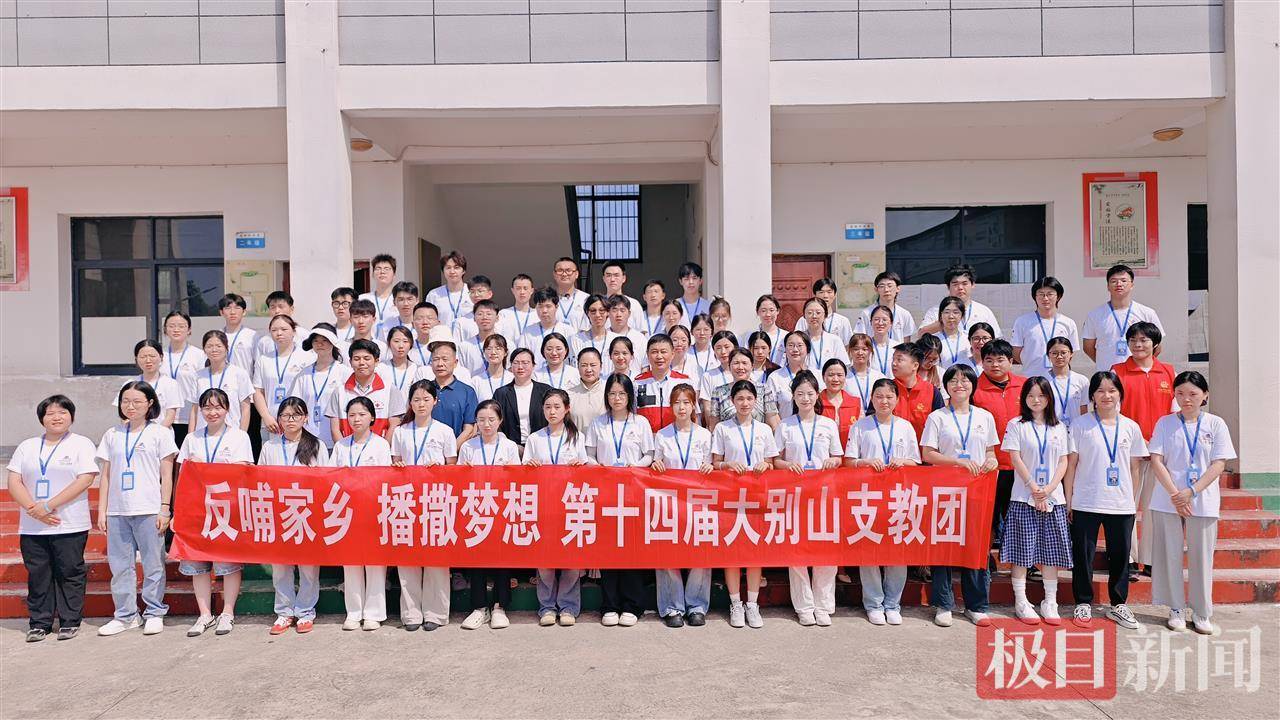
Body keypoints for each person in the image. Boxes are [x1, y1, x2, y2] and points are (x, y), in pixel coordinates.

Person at [1148, 371, 1235, 635]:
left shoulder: (1216, 424)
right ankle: (1175, 608)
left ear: (1205, 395)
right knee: (1169, 554)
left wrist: (1191, 492)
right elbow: (1156, 460)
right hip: (1168, 498)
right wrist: (1177, 494)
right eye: (1180, 394)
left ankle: (1201, 611)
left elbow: (1218, 463)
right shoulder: (1165, 423)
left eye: (1193, 394)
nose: (1186, 399)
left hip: (1203, 499)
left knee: (1202, 557)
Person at [7, 395, 99, 642]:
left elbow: (85, 479)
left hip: (69, 523)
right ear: (41, 419)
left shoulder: (81, 444)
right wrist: (34, 508)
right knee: (38, 574)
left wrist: (48, 506)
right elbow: (14, 480)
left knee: (70, 572)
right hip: (33, 526)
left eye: (62, 412)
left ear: (72, 417)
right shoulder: (27, 446)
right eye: (50, 413)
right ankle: (40, 623)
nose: (56, 417)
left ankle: (70, 621)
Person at [1066, 371, 1149, 630]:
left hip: (1121, 503)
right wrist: (1069, 500)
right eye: (1100, 390)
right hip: (1086, 501)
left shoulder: (1130, 427)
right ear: (1092, 395)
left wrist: (1132, 501)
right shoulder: (1080, 425)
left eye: (1112, 390)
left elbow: (1135, 468)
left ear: (1120, 394)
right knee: (1083, 555)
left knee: (1120, 556)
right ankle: (1083, 602)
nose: (1106, 395)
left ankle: (1118, 604)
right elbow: (1071, 465)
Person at [95, 381, 178, 637]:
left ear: (150, 403)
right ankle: (126, 615)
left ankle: (154, 611)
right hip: (118, 510)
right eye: (125, 401)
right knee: (121, 567)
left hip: (149, 508)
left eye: (137, 401)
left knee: (153, 564)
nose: (130, 406)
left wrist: (165, 508)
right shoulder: (112, 434)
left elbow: (167, 475)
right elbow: (106, 475)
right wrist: (102, 509)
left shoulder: (160, 433)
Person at [921, 364, 999, 628]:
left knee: (975, 547)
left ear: (973, 385)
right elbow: (927, 454)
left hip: (977, 491)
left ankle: (976, 605)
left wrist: (991, 461)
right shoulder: (938, 417)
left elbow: (990, 452)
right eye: (953, 380)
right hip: (945, 491)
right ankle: (943, 603)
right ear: (946, 386)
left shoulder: (984, 417)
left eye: (965, 380)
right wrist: (956, 461)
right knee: (943, 547)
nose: (959, 385)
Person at [176, 388, 253, 637]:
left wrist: (211, 468)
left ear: (227, 409)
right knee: (197, 562)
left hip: (226, 507)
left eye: (218, 407)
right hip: (197, 508)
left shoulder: (239, 437)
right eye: (207, 407)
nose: (212, 412)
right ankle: (205, 614)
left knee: (228, 563)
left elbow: (243, 471)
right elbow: (183, 476)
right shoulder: (192, 439)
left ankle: (228, 612)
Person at [845, 379, 921, 625]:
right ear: (872, 399)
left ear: (897, 399)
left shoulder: (905, 427)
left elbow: (916, 462)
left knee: (897, 551)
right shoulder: (861, 426)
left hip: (899, 496)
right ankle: (874, 603)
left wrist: (903, 462)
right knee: (869, 549)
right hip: (868, 496)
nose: (884, 401)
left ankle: (892, 603)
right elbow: (849, 462)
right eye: (879, 396)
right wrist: (864, 462)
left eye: (889, 396)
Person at [999, 377, 1073, 626]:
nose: (1036, 400)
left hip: (1053, 498)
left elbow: (1063, 461)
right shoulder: (1016, 425)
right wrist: (1033, 487)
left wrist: (1048, 490)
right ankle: (1021, 601)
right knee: (1022, 551)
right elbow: (1015, 458)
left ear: (1049, 398)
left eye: (1041, 395)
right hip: (1024, 495)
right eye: (1031, 395)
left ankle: (1050, 601)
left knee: (1051, 552)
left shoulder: (1059, 427)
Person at [774, 371, 843, 627]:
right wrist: (787, 465)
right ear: (793, 396)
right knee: (797, 550)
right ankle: (804, 606)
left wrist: (833, 461)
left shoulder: (828, 424)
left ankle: (823, 606)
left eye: (810, 393)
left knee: (826, 549)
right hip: (796, 495)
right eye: (800, 393)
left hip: (825, 494)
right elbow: (775, 459)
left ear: (817, 395)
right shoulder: (785, 425)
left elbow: (838, 456)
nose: (805, 398)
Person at [587, 374, 654, 627]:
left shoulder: (640, 423)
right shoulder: (598, 423)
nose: (617, 398)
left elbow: (649, 454)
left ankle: (632, 605)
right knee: (608, 549)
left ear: (630, 396)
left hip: (633, 492)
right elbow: (589, 454)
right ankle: (610, 605)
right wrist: (601, 468)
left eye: (622, 394)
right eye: (612, 394)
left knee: (631, 550)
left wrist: (633, 467)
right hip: (606, 493)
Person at [390, 380, 458, 632]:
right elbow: (395, 463)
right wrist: (398, 467)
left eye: (426, 399)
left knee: (436, 560)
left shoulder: (444, 431)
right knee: (407, 558)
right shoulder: (401, 432)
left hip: (436, 500)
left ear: (435, 401)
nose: (421, 404)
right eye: (416, 399)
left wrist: (441, 470)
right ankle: (411, 613)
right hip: (406, 500)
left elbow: (452, 467)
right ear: (410, 403)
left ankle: (435, 612)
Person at [258, 396, 329, 635]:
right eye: (286, 415)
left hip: (307, 513)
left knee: (308, 567)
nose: (290, 420)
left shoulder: (316, 445)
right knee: (281, 567)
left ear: (305, 418)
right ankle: (284, 611)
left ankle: (306, 611)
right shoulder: (270, 447)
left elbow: (326, 480)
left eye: (296, 415)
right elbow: (260, 480)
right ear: (278, 419)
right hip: (278, 513)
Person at [1111, 321, 1178, 574]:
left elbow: (1175, 413)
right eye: (1133, 340)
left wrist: (1161, 445)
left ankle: (1150, 558)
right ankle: (1126, 558)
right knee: (1126, 504)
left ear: (1155, 344)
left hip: (1160, 453)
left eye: (1143, 340)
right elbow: (1114, 411)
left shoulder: (1168, 372)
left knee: (1153, 506)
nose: (1138, 345)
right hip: (1129, 451)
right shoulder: (1118, 371)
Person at [712, 380, 779, 629]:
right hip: (730, 496)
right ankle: (735, 603)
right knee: (732, 550)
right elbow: (715, 462)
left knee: (754, 550)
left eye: (749, 399)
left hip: (757, 496)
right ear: (732, 401)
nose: (744, 403)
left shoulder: (764, 429)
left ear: (755, 401)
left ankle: (752, 603)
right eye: (740, 398)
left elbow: (772, 463)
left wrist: (766, 465)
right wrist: (727, 465)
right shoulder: (723, 428)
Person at [523, 389, 592, 626]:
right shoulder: (535, 438)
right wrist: (530, 466)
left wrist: (580, 466)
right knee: (545, 559)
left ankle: (569, 607)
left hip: (570, 504)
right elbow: (523, 471)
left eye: (557, 407)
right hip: (543, 504)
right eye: (547, 407)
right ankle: (547, 607)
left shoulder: (577, 437)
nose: (552, 411)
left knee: (571, 558)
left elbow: (586, 469)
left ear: (567, 409)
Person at [650, 383, 714, 628]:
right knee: (668, 553)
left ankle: (696, 606)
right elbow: (655, 465)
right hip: (669, 502)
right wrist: (656, 465)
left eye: (686, 402)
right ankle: (672, 607)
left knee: (700, 553)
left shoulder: (704, 435)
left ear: (694, 405)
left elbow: (713, 464)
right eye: (677, 402)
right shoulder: (662, 435)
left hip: (699, 502)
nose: (682, 407)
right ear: (670, 406)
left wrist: (710, 467)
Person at [457, 400, 521, 630]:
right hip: (475, 508)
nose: (486, 424)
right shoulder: (468, 447)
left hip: (502, 507)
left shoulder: (509, 446)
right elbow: (459, 478)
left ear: (500, 421)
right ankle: (479, 607)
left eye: (491, 420)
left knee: (502, 558)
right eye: (481, 420)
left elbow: (516, 477)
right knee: (477, 558)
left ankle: (499, 606)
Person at [333, 396, 393, 630]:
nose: (356, 419)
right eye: (351, 415)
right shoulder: (341, 446)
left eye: (361, 414)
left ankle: (374, 613)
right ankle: (353, 612)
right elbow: (331, 476)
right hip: (346, 510)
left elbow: (385, 478)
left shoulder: (381, 445)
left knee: (375, 562)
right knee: (351, 563)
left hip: (373, 510)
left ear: (372, 417)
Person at [972, 339, 1028, 549]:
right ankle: (986, 558)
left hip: (1020, 462)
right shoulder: (974, 388)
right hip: (989, 463)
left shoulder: (1025, 385)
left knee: (1020, 515)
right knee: (989, 515)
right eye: (989, 360)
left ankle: (1023, 558)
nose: (994, 364)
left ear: (1011, 361)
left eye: (1000, 359)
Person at [1082, 264, 1164, 372]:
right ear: (1108, 286)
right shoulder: (1094, 315)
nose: (1119, 284)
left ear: (1132, 285)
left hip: (1138, 373)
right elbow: (1088, 347)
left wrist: (1142, 363)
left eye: (1123, 280)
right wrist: (1103, 363)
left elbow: (1157, 346)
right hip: (1108, 374)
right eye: (1114, 281)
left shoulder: (1147, 313)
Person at [326, 339, 406, 440]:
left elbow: (394, 427)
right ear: (350, 362)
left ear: (376, 361)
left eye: (367, 358)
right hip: (347, 448)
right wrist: (343, 449)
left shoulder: (390, 390)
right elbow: (335, 429)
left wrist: (383, 448)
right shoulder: (339, 392)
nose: (362, 363)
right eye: (356, 359)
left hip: (380, 449)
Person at [289, 325, 352, 450]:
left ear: (333, 342)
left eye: (324, 340)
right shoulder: (303, 374)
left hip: (337, 439)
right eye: (316, 341)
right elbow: (295, 405)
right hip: (308, 441)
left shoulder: (345, 372)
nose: (320, 344)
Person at [252, 315, 315, 437]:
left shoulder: (307, 357)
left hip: (298, 422)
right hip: (272, 423)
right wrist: (266, 416)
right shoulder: (264, 359)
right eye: (274, 330)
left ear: (294, 332)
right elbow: (258, 391)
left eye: (284, 329)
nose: (279, 333)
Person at [183, 330, 254, 435]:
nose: (214, 349)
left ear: (226, 348)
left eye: (218, 346)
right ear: (204, 350)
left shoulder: (239, 374)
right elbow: (194, 410)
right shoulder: (198, 376)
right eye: (209, 346)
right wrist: (190, 437)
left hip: (231, 433)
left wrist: (242, 435)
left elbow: (245, 408)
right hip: (202, 435)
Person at [1011, 277, 1079, 377]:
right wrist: (1030, 363)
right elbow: (1016, 352)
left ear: (1058, 296)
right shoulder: (1022, 322)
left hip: (1059, 377)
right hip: (1031, 377)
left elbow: (1071, 352)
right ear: (1035, 297)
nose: (1045, 298)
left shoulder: (1068, 323)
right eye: (1041, 294)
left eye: (1050, 294)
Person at [424, 327, 478, 449]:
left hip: (455, 453)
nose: (440, 364)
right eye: (436, 359)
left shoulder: (467, 392)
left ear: (455, 362)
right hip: (425, 452)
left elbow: (469, 429)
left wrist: (450, 452)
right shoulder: (424, 390)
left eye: (445, 359)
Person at [918, 264, 1003, 338]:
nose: (960, 288)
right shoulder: (935, 311)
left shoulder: (984, 311)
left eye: (965, 283)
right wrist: (943, 322)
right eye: (955, 284)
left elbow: (996, 337)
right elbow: (921, 334)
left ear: (973, 285)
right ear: (948, 287)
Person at [162, 311, 207, 446]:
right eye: (171, 326)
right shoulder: (159, 355)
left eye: (181, 326)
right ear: (165, 329)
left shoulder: (199, 355)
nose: (176, 329)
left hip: (188, 417)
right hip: (163, 417)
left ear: (189, 330)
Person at [708, 348, 781, 432]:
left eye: (744, 363)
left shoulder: (764, 389)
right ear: (729, 366)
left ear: (752, 366)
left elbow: (773, 423)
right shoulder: (718, 392)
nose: (740, 367)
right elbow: (714, 425)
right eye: (736, 363)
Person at [633, 333, 693, 432]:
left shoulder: (684, 381)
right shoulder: (638, 383)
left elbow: (693, 415)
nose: (659, 356)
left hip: (675, 437)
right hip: (647, 439)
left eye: (663, 352)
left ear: (672, 354)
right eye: (654, 352)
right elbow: (632, 415)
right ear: (647, 355)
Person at [493, 348, 550, 448]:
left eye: (525, 363)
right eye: (516, 363)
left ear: (533, 365)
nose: (520, 367)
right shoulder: (501, 393)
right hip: (510, 447)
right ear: (511, 366)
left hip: (542, 445)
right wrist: (511, 446)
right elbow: (495, 420)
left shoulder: (545, 391)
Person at [891, 342, 945, 444]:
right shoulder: (886, 389)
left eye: (899, 360)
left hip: (923, 452)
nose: (894, 363)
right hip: (891, 451)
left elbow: (941, 425)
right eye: (893, 359)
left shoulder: (932, 392)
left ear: (915, 365)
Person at [122, 340, 183, 428]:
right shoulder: (129, 384)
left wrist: (155, 433)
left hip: (162, 432)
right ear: (136, 359)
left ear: (161, 357)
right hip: (134, 432)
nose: (148, 360)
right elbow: (124, 415)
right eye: (143, 357)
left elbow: (170, 416)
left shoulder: (170, 384)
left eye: (152, 356)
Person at [854, 271, 916, 342]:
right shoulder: (866, 313)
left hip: (897, 349)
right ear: (876, 289)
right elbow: (860, 339)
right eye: (882, 286)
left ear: (898, 288)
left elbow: (906, 342)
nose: (886, 290)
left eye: (890, 286)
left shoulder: (904, 314)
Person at [1045, 336, 1090, 429]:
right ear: (1048, 355)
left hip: (1076, 430)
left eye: (1063, 353)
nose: (1059, 356)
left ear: (1071, 354)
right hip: (1050, 430)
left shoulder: (1082, 381)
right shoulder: (1043, 381)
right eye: (1054, 353)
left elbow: (1083, 410)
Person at [765, 331, 811, 422]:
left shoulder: (817, 375)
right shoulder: (775, 377)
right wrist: (782, 429)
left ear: (807, 349)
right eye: (790, 345)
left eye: (800, 345)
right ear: (785, 349)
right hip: (785, 428)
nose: (795, 349)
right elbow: (771, 413)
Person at [793, 278, 854, 345]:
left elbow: (848, 345)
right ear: (815, 295)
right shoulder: (804, 320)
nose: (825, 296)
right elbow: (797, 342)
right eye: (821, 292)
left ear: (835, 295)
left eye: (829, 292)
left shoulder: (843, 321)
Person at [425, 251, 473, 332]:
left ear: (463, 271)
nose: (452, 271)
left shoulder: (472, 293)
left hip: (468, 338)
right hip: (442, 338)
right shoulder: (434, 295)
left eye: (456, 267)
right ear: (443, 271)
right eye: (448, 268)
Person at [521, 286, 578, 354]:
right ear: (536, 307)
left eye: (548, 306)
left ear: (556, 307)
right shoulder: (528, 332)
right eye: (540, 306)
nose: (544, 311)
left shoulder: (568, 331)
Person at [800, 297, 850, 372]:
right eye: (809, 313)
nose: (814, 316)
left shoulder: (834, 340)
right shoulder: (799, 339)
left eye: (818, 313)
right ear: (804, 315)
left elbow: (843, 367)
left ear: (825, 315)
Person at [819, 358, 860, 443]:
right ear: (823, 377)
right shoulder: (816, 403)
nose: (835, 379)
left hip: (849, 450)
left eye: (839, 375)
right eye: (831, 375)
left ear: (845, 377)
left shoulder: (855, 403)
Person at [253, 291, 304, 357]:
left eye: (281, 306)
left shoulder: (303, 335)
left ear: (291, 309)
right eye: (273, 307)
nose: (277, 311)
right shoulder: (264, 341)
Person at [740, 294, 788, 363]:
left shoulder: (785, 336)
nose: (768, 314)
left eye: (771, 310)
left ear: (777, 311)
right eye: (763, 311)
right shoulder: (749, 336)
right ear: (757, 312)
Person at [381, 326, 426, 400]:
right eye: (396, 341)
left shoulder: (416, 369)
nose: (401, 346)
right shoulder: (381, 368)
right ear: (389, 343)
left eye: (405, 341)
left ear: (411, 344)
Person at [217, 293, 257, 376]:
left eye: (237, 308)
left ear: (244, 312)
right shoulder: (216, 336)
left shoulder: (253, 336)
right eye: (228, 308)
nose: (232, 312)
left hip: (245, 382)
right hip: (221, 382)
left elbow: (258, 366)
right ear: (221, 312)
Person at [607, 294, 648, 374]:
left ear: (629, 313)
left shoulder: (639, 338)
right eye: (614, 310)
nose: (618, 315)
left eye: (622, 310)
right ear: (608, 313)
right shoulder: (603, 336)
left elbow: (645, 366)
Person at [600, 261, 646, 332]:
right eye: (609, 275)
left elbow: (642, 331)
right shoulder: (598, 304)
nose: (612, 279)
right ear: (603, 278)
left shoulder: (634, 304)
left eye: (616, 275)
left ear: (624, 278)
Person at [844, 333, 885, 413]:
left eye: (864, 349)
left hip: (873, 418)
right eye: (856, 349)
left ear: (870, 351)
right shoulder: (844, 376)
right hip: (850, 417)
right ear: (850, 351)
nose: (860, 353)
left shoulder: (879, 377)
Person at [359, 253, 401, 327]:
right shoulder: (362, 299)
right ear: (372, 274)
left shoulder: (400, 300)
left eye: (386, 269)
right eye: (378, 269)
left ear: (394, 274)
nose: (382, 272)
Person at [461, 299, 501, 375]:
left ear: (497, 318)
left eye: (489, 314)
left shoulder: (507, 344)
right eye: (480, 314)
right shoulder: (465, 346)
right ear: (474, 318)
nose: (484, 317)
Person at [699, 330, 739, 406]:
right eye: (718, 348)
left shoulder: (744, 373)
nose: (723, 352)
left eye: (727, 347)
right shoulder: (708, 376)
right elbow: (707, 407)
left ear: (735, 347)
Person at [498, 274, 537, 350]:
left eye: (525, 288)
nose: (522, 292)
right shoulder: (503, 314)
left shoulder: (537, 314)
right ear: (513, 290)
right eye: (518, 288)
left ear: (532, 291)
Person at [572, 294, 615, 363]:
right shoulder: (577, 340)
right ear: (587, 313)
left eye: (601, 310)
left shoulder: (615, 340)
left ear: (607, 312)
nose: (597, 315)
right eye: (593, 311)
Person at [551, 256, 591, 331]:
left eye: (568, 270)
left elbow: (588, 327)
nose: (564, 274)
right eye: (560, 270)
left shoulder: (586, 298)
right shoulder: (548, 298)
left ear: (576, 274)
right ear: (554, 274)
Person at [932, 296, 970, 370]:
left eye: (956, 312)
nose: (951, 316)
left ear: (962, 316)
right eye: (947, 312)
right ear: (940, 315)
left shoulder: (968, 338)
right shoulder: (933, 339)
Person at [474, 334, 514, 404]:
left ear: (505, 353)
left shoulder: (513, 379)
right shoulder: (476, 381)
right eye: (489, 349)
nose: (493, 352)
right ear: (484, 353)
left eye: (498, 349)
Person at [866, 305, 900, 378]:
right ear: (871, 322)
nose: (880, 323)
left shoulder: (898, 347)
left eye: (884, 320)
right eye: (876, 319)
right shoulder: (865, 346)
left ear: (891, 323)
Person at [667, 325, 703, 391]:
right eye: (675, 340)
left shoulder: (696, 369)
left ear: (689, 344)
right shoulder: (662, 366)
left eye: (683, 340)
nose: (679, 344)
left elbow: (697, 393)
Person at [688, 313, 717, 379]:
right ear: (692, 331)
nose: (702, 333)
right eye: (698, 329)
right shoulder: (687, 352)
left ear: (712, 332)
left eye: (706, 329)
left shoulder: (716, 352)